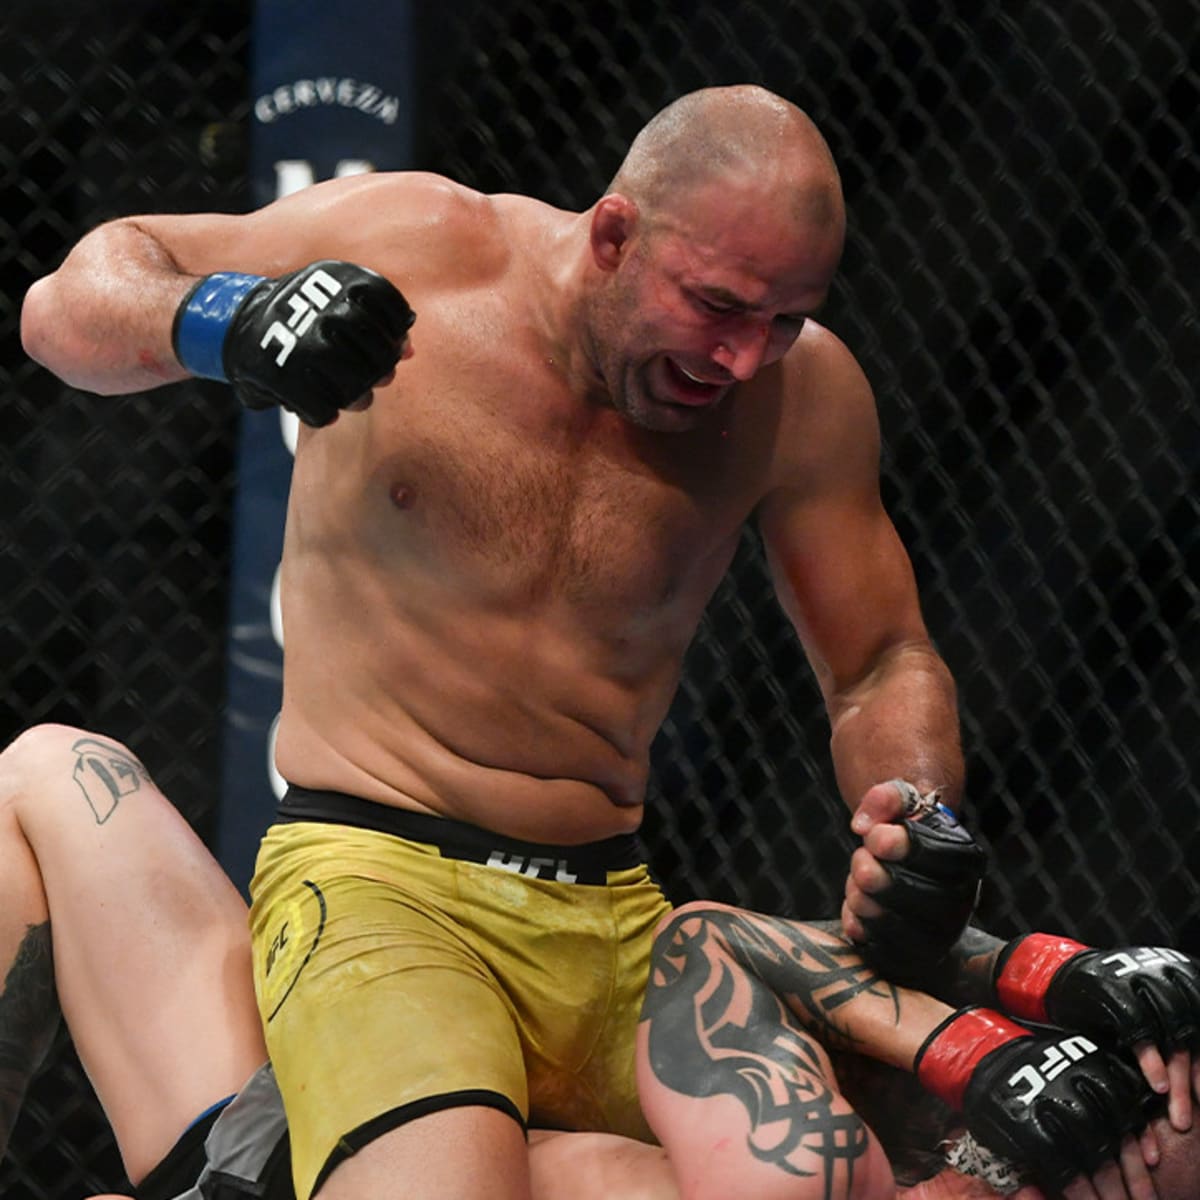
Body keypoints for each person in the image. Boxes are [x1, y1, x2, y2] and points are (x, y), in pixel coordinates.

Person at [9, 84, 1133, 1198]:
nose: (744, 358)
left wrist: (919, 813)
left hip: (618, 922)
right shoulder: (418, 246)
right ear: (614, 235)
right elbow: (66, 308)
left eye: (783, 319)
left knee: (1035, 1148)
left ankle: (267, 1169)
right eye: (718, 305)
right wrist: (233, 320)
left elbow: (881, 660)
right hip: (379, 878)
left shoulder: (802, 398)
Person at [3, 723, 1198, 1200]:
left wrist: (974, 1048)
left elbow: (704, 951)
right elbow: (761, 950)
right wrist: (1036, 985)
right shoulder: (959, 1133)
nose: (1150, 1101)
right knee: (51, 771)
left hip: (293, 1175)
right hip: (302, 1119)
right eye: (1155, 1084)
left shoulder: (811, 1181)